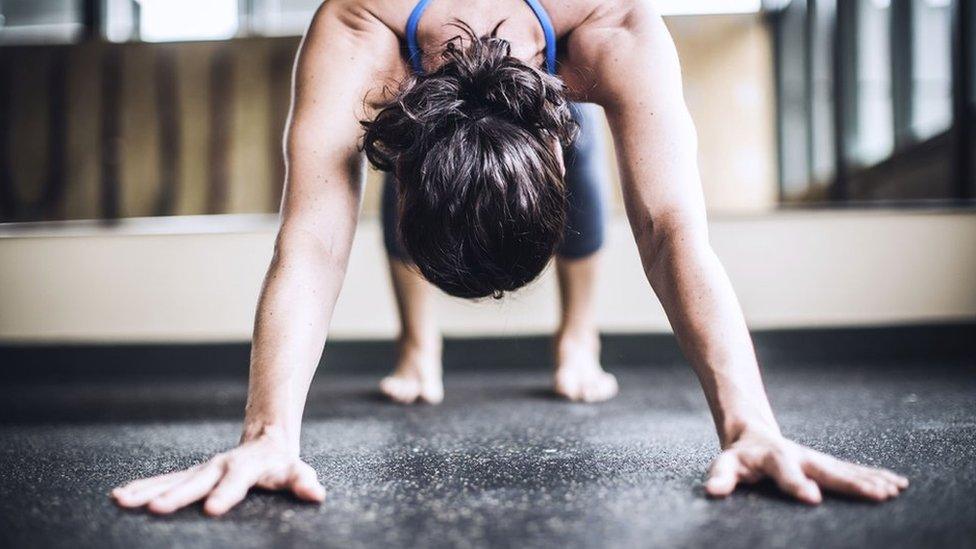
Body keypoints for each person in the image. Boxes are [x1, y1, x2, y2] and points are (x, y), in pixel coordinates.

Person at [111, 0, 909, 516]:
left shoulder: (615, 25)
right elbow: (314, 239)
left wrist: (751, 423)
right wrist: (267, 432)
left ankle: (579, 337)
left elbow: (669, 229)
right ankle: (422, 347)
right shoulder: (359, 28)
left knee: (618, 195)